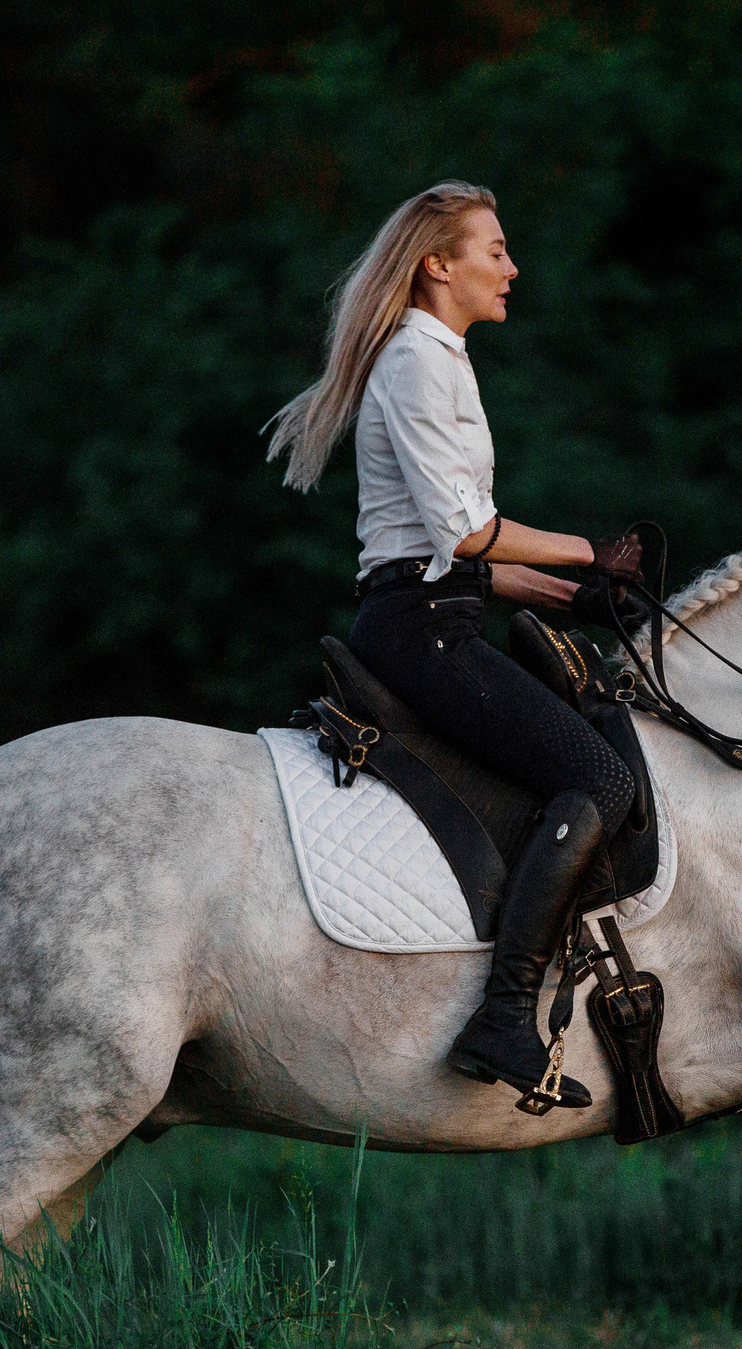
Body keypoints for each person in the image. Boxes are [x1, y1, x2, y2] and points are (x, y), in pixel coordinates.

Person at [266, 182, 642, 1111]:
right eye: (496, 250)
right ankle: (502, 1015)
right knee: (602, 779)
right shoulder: (419, 363)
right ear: (440, 263)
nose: (513, 268)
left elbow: (457, 553)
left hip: (437, 609)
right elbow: (468, 532)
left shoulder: (437, 358)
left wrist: (572, 593)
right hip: (421, 630)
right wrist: (589, 549)